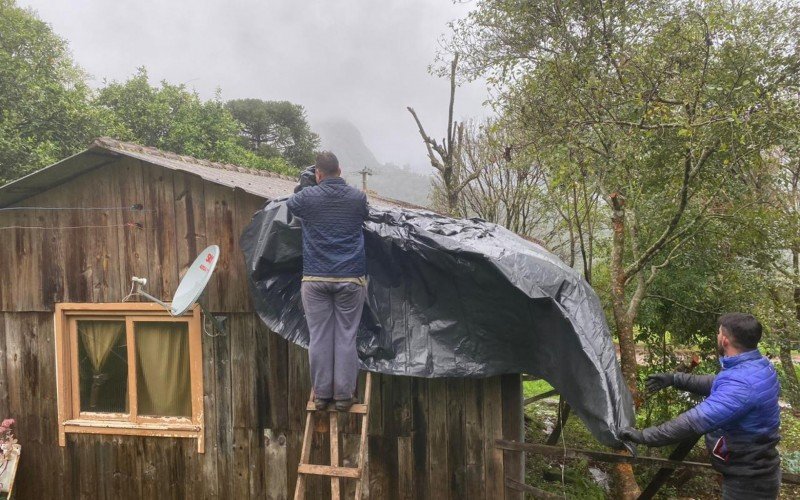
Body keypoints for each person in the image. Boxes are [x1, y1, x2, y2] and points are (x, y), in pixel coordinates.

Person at [620, 313, 781, 499]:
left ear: (725, 340)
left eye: (718, 332)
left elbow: (693, 421)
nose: (717, 335)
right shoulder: (757, 366)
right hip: (754, 472)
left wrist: (643, 436)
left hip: (749, 483)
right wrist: (674, 378)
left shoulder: (742, 385)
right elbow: (719, 383)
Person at [286, 152, 369, 412]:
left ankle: (321, 396)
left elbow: (292, 203)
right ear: (340, 170)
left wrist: (307, 182)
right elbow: (365, 216)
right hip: (350, 277)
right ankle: (344, 397)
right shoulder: (358, 198)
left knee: (320, 337)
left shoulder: (307, 198)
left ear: (318, 174)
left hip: (315, 277)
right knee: (346, 336)